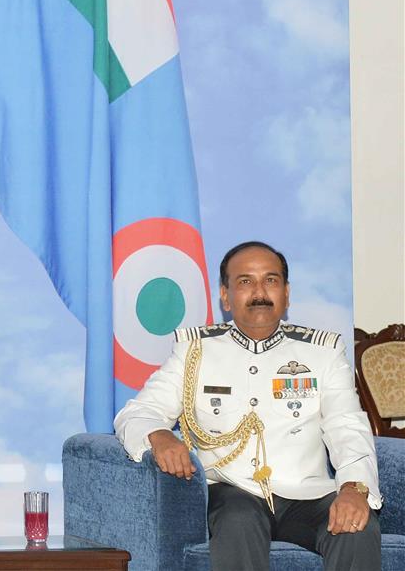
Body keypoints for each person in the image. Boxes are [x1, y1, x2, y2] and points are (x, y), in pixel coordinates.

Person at [114, 241, 382, 571]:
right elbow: (135, 413)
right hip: (233, 493)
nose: (259, 292)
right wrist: (159, 436)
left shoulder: (322, 353)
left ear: (286, 293)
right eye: (245, 281)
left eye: (270, 280)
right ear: (225, 296)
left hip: (307, 495)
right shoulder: (195, 352)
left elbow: (347, 427)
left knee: (357, 527)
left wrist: (355, 488)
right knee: (238, 517)